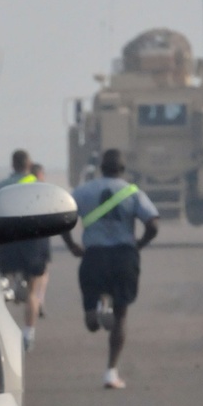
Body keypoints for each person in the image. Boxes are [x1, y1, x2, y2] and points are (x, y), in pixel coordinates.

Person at [62, 147, 159, 388]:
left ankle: (96, 310)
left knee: (91, 324)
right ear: (123, 170)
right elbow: (153, 224)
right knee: (121, 315)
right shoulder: (133, 192)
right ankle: (111, 372)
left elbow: (61, 218)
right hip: (123, 256)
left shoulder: (82, 191)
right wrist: (140, 244)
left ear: (100, 168)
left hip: (93, 256)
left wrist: (72, 244)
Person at [0, 149, 46, 351]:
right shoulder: (40, 187)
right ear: (29, 164)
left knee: (1, 292)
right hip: (33, 245)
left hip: (8, 243)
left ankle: (2, 333)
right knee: (33, 293)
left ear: (12, 164)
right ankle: (28, 334)